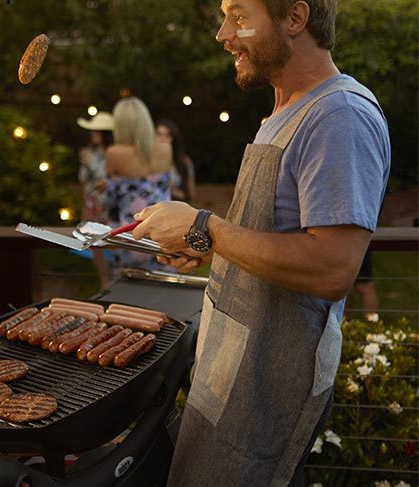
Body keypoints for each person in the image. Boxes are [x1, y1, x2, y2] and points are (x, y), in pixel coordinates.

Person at [132, 1, 390, 486]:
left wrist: (205, 226)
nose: (223, 33)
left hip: (269, 385)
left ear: (295, 18)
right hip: (232, 369)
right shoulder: (285, 109)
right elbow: (276, 236)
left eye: (239, 15)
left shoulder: (339, 117)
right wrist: (206, 244)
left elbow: (332, 268)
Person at [105, 97, 173, 278]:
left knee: (124, 300)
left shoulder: (114, 153)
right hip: (162, 233)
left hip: (129, 236)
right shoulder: (165, 149)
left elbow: (111, 202)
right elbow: (166, 191)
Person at [76, 111, 114, 288]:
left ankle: (115, 277)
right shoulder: (90, 151)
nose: (94, 135)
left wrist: (92, 163)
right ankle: (104, 280)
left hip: (108, 204)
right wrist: (86, 163)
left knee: (111, 239)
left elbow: (106, 177)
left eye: (98, 131)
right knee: (94, 242)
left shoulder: (113, 153)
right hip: (92, 203)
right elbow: (83, 178)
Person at [156, 119, 196, 204]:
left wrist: (171, 190)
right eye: (159, 135)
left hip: (176, 209)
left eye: (167, 136)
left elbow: (189, 196)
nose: (163, 139)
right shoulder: (147, 161)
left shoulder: (184, 162)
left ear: (174, 139)